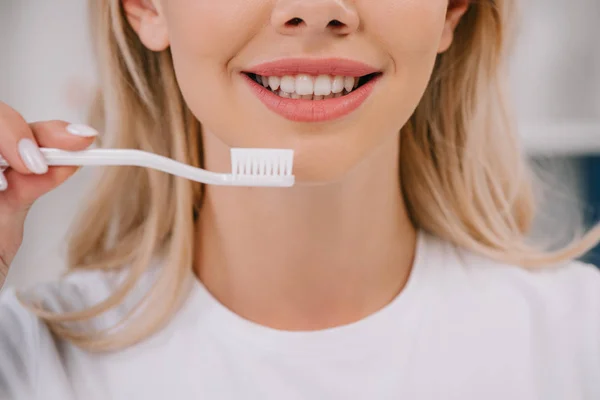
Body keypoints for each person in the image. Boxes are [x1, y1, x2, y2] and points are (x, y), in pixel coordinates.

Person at [0, 0, 599, 399]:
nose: (314, 10)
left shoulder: (580, 347)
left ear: (452, 8)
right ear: (148, 6)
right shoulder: (24, 366)